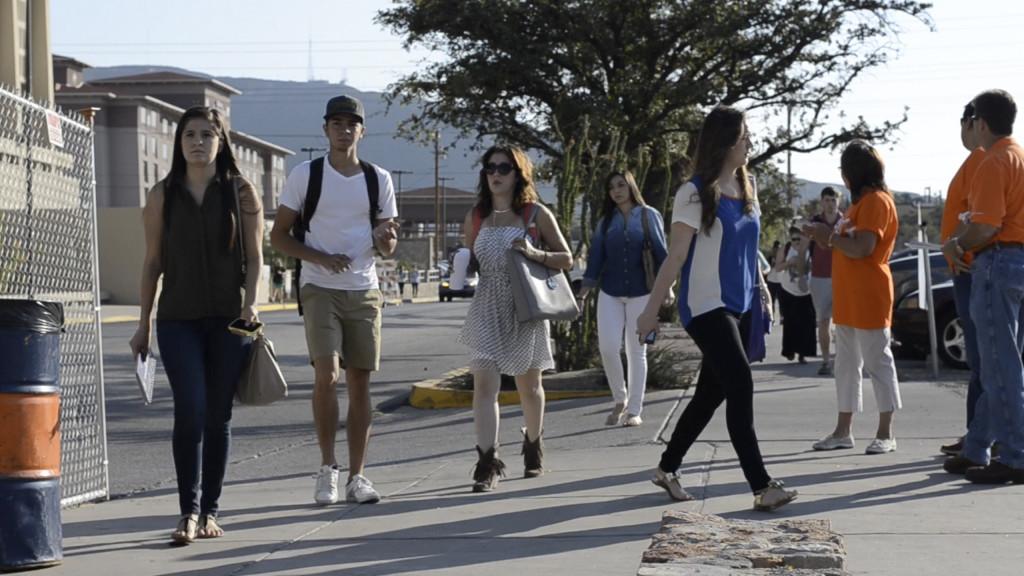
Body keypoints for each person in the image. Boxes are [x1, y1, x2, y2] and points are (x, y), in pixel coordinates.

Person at [636, 105, 797, 512]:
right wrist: (651, 310)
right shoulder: (693, 192)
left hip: (741, 303)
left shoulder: (749, 186)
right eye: (744, 137)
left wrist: (761, 289)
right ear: (725, 142)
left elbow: (750, 249)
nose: (750, 144)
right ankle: (762, 486)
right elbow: (675, 257)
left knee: (711, 393)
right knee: (740, 383)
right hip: (705, 305)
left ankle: (667, 467)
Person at [128, 106, 263, 544]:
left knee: (218, 416)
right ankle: (187, 511)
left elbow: (256, 256)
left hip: (230, 320)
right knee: (191, 409)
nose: (198, 142)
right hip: (177, 320)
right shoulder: (162, 193)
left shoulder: (241, 191)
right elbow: (152, 263)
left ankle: (210, 512)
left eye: (207, 134)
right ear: (178, 142)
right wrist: (143, 323)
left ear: (221, 141)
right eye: (190, 134)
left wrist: (251, 304)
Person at [269, 94, 400, 505]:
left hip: (363, 288)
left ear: (362, 130)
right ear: (325, 129)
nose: (344, 130)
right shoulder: (306, 176)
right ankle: (327, 468)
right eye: (337, 123)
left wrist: (386, 240)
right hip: (318, 286)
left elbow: (388, 246)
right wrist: (321, 258)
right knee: (328, 375)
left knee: (360, 381)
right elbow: (279, 237)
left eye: (352, 124)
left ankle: (358, 477)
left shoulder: (378, 179)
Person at [458, 144, 573, 492]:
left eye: (503, 168)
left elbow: (566, 258)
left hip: (525, 305)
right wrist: (461, 268)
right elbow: (470, 257)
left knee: (530, 387)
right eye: (490, 168)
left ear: (518, 173)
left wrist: (534, 252)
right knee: (484, 386)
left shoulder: (536, 214)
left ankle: (533, 445)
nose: (495, 173)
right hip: (486, 304)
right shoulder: (476, 216)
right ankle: (486, 461)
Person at [942, 89, 1024, 484]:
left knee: (998, 366)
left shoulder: (994, 162)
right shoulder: (1017, 156)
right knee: (1004, 361)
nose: (968, 126)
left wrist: (957, 244)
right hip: (1015, 262)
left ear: (982, 123)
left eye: (970, 119)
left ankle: (1015, 455)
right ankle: (978, 445)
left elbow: (987, 225)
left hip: (998, 263)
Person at [803, 140, 901, 455]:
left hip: (870, 294)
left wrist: (828, 237)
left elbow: (864, 248)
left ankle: (886, 432)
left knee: (877, 361)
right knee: (847, 365)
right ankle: (843, 431)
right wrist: (824, 237)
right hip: (848, 296)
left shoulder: (876, 202)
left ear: (852, 173)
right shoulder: (858, 206)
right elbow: (849, 244)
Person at [580, 170, 668, 427]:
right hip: (610, 292)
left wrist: (667, 288)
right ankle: (620, 398)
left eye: (621, 185)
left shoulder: (649, 215)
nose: (616, 191)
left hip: (643, 293)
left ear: (631, 186)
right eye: (611, 187)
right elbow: (596, 258)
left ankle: (634, 410)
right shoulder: (606, 222)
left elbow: (662, 253)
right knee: (607, 347)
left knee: (636, 350)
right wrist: (584, 291)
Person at [937, 103, 987, 457]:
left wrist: (956, 243)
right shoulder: (976, 162)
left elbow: (980, 216)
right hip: (967, 268)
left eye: (962, 123)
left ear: (974, 123)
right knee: (981, 362)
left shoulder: (985, 161)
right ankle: (978, 434)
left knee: (987, 361)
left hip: (973, 269)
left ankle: (985, 437)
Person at [803, 187, 841, 375]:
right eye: (826, 200)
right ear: (821, 202)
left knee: (843, 322)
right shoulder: (815, 223)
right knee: (824, 321)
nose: (830, 203)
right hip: (819, 278)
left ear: (838, 202)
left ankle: (842, 359)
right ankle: (826, 360)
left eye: (833, 200)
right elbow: (803, 247)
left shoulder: (845, 222)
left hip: (842, 277)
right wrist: (802, 274)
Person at [775, 226, 817, 364]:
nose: (797, 242)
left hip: (807, 291)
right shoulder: (786, 249)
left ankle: (803, 353)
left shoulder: (810, 249)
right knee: (790, 323)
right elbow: (777, 268)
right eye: (794, 239)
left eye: (800, 239)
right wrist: (789, 263)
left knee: (807, 323)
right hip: (788, 290)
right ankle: (790, 351)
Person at [764, 239, 783, 318]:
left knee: (782, 300)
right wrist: (772, 264)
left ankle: (782, 316)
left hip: (780, 281)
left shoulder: (783, 257)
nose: (777, 250)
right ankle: (772, 315)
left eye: (779, 248)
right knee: (771, 299)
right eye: (776, 248)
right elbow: (766, 268)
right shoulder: (770, 257)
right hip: (771, 281)